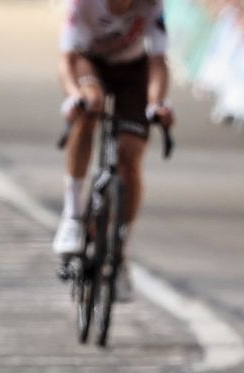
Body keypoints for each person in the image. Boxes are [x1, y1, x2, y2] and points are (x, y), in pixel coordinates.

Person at [52, 0, 175, 301]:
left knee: (130, 157)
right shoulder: (83, 4)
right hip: (88, 62)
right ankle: (73, 214)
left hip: (133, 70)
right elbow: (66, 58)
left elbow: (158, 61)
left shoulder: (152, 4)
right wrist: (73, 96)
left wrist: (156, 102)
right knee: (90, 104)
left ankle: (119, 249)